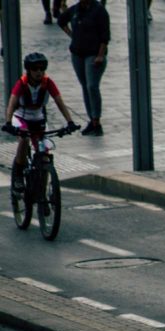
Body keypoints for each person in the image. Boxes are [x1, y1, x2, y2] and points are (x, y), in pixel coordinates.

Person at [2, 53, 79, 192]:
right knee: (24, 139)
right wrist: (8, 122)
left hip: (39, 118)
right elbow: (12, 103)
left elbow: (59, 102)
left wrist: (70, 122)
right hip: (21, 118)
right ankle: (18, 173)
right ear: (28, 70)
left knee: (44, 153)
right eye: (35, 69)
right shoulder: (22, 83)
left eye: (42, 69)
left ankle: (42, 191)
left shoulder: (48, 82)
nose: (39, 72)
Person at [58, 0, 109, 137]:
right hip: (78, 54)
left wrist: (100, 55)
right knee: (85, 86)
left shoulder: (99, 10)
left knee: (92, 86)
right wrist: (72, 35)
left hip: (93, 54)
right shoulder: (76, 9)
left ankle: (96, 120)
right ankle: (92, 120)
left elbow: (105, 35)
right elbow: (61, 20)